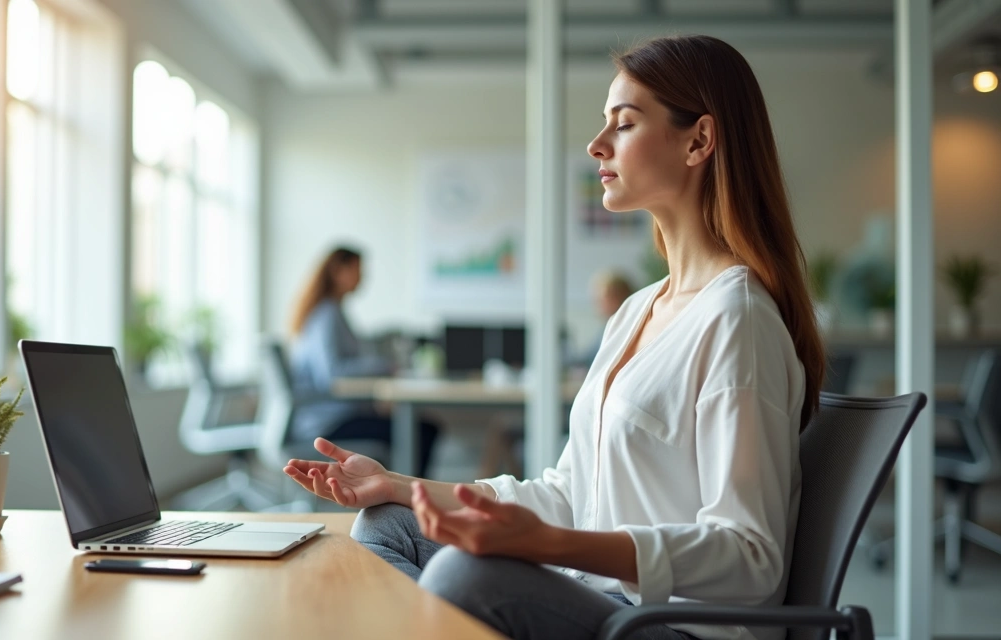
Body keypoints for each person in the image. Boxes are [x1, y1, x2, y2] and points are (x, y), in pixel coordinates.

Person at [283, 35, 825, 640]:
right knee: (388, 524)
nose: (597, 145)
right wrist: (399, 485)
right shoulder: (638, 311)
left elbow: (751, 556)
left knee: (463, 578)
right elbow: (568, 493)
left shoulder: (738, 320)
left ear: (698, 140)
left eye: (624, 124)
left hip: (671, 624)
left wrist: (552, 544)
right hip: (595, 593)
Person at [288, 246, 439, 477]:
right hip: (326, 425)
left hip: (334, 416)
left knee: (419, 427)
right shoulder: (326, 315)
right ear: (339, 271)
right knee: (419, 431)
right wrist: (384, 366)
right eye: (358, 270)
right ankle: (410, 502)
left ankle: (407, 498)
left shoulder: (334, 312)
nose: (363, 277)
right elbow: (332, 375)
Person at [571, 270, 635, 367]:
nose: (597, 304)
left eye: (601, 299)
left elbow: (593, 360)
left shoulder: (624, 330)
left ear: (617, 298)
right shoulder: (608, 326)